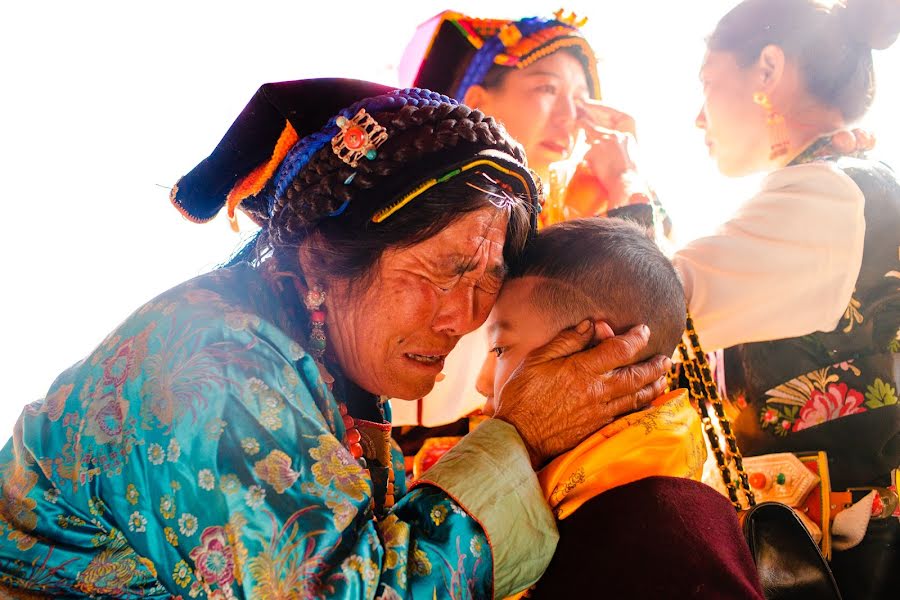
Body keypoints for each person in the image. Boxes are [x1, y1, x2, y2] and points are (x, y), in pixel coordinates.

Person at [0, 79, 671, 598]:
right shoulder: (209, 370)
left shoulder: (325, 369)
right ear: (320, 259)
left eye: (486, 281)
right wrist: (517, 439)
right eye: (445, 270)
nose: (464, 318)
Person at [589, 1, 900, 597]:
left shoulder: (822, 197)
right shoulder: (848, 183)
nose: (699, 116)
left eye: (709, 83)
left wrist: (624, 190)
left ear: (767, 71)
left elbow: (657, 305)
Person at [394, 9, 667, 433]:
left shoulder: (567, 214)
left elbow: (650, 308)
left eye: (580, 101)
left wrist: (625, 187)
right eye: (546, 88)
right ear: (478, 102)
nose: (569, 116)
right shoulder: (426, 203)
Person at [474, 217, 764, 599]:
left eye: (500, 350)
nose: (482, 381)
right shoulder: (596, 507)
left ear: (603, 356)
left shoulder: (665, 535)